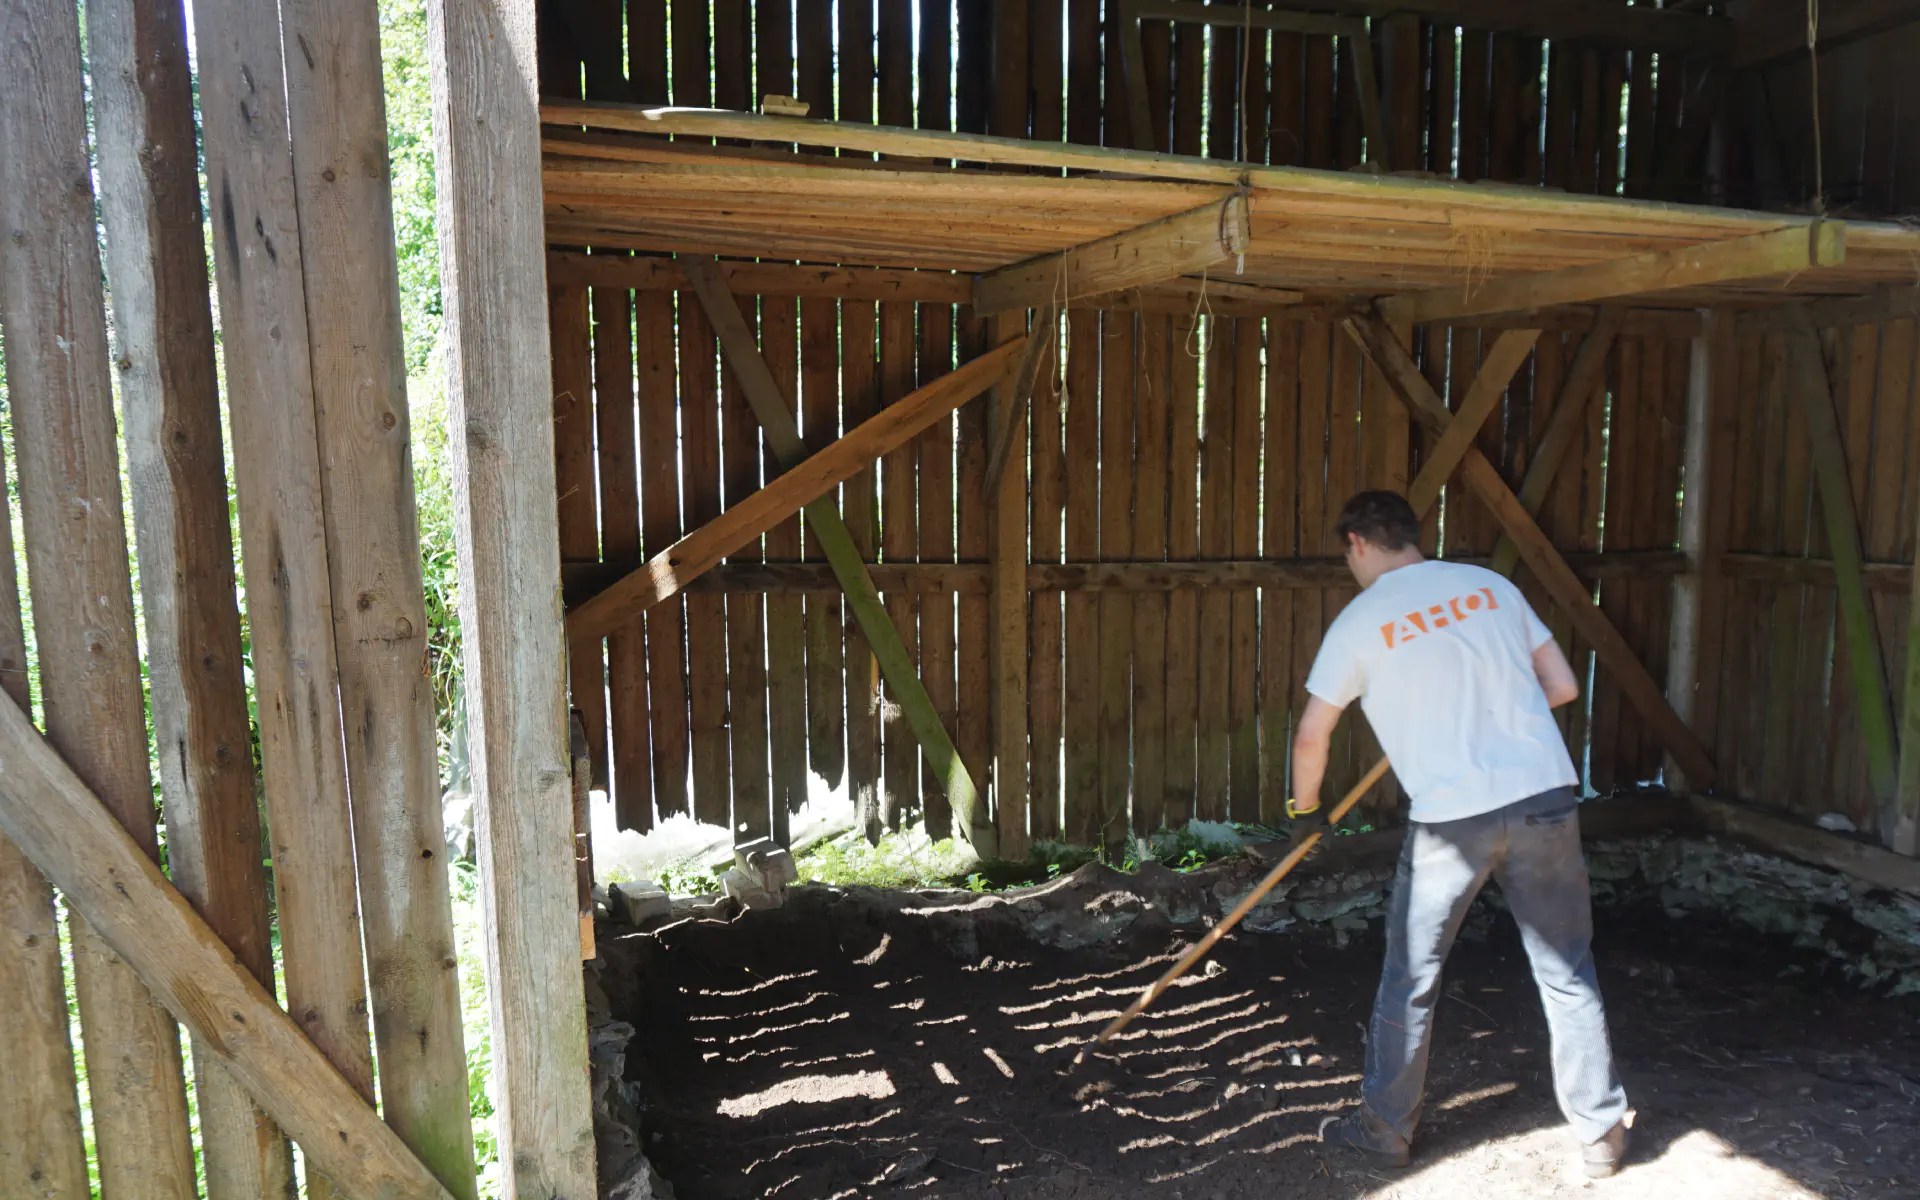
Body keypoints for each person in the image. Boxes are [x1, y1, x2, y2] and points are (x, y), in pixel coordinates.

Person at [1291, 490, 1631, 1179]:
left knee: (1410, 979)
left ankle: (1383, 1136)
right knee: (1568, 969)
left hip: (1454, 820)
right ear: (1412, 537)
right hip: (1543, 796)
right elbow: (1560, 685)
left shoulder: (1360, 622)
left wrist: (1306, 812)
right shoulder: (1489, 587)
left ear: (1357, 543)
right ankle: (1601, 1137)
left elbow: (1312, 735)